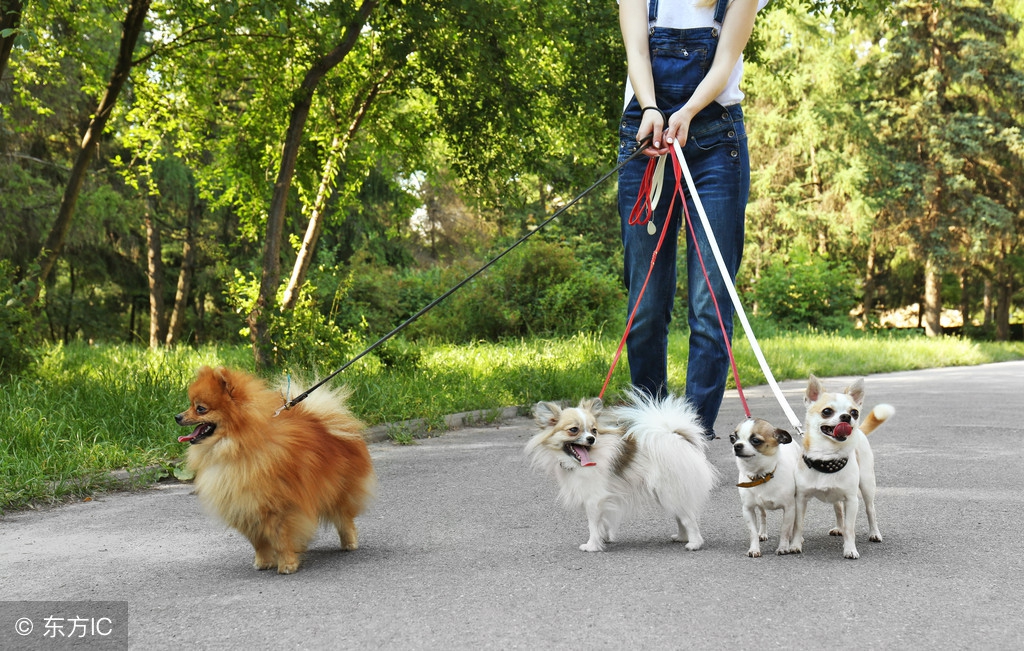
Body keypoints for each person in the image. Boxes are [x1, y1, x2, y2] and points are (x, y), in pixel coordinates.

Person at [617, 0, 769, 439]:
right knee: (645, 304)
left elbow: (724, 63)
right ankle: (652, 432)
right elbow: (638, 54)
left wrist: (685, 112)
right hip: (644, 136)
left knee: (711, 304)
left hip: (715, 142)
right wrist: (651, 109)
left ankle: (690, 439)